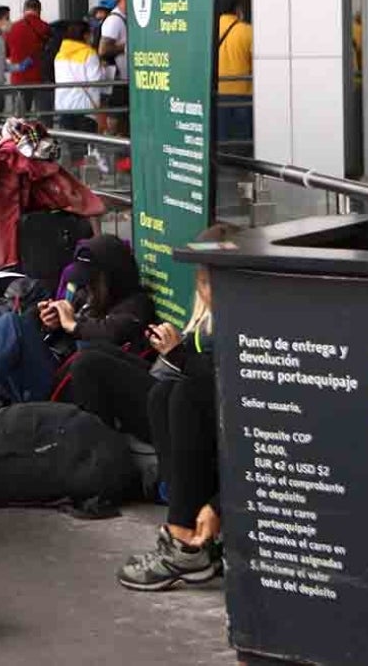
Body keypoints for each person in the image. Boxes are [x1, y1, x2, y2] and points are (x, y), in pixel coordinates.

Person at [0, 235, 154, 447]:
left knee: (12, 325)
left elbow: (107, 335)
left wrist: (72, 324)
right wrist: (46, 318)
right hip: (44, 362)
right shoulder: (86, 295)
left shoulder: (136, 305)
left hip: (63, 388)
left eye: (93, 281)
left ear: (112, 278)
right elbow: (62, 328)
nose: (85, 286)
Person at [117, 224, 236, 591]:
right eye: (203, 281)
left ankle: (185, 539)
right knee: (163, 395)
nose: (207, 290)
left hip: (249, 450)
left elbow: (268, 430)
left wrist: (218, 505)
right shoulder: (208, 325)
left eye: (212, 281)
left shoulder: (259, 332)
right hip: (217, 441)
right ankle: (183, 530)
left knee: (183, 393)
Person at [52, 18, 105, 133]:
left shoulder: (60, 54)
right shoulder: (89, 53)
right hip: (85, 108)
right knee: (86, 145)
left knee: (70, 145)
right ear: (85, 35)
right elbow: (96, 81)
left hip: (63, 107)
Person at [215, 0, 254, 148]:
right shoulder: (247, 31)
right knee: (242, 142)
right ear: (238, 10)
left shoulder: (209, 29)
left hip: (217, 95)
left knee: (222, 140)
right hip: (242, 96)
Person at [6, 0, 51, 115]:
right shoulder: (46, 28)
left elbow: (6, 53)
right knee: (44, 116)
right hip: (42, 78)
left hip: (19, 79)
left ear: (24, 10)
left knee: (20, 117)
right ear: (39, 10)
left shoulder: (12, 28)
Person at [100, 0, 129, 135]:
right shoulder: (114, 21)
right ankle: (114, 151)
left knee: (125, 118)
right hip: (117, 80)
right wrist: (125, 47)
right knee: (117, 118)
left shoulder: (125, 18)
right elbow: (103, 50)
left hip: (125, 80)